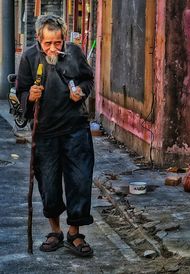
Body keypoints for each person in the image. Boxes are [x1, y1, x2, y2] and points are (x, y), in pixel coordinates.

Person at [17, 14, 94, 257]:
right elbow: (19, 91)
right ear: (39, 39)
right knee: (48, 184)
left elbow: (87, 79)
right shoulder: (29, 57)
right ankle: (55, 231)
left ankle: (74, 233)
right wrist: (30, 96)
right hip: (45, 131)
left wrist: (81, 91)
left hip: (75, 129)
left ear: (63, 39)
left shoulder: (74, 53)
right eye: (47, 43)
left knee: (80, 181)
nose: (53, 48)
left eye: (58, 42)